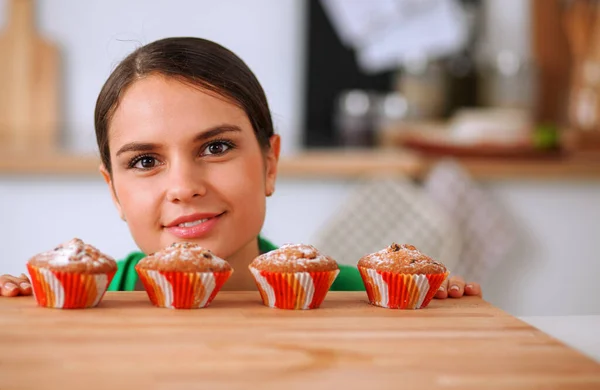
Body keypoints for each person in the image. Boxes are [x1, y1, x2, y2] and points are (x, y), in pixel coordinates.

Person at [0, 37, 481, 299]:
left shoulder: (359, 296)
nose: (184, 187)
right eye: (146, 161)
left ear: (270, 163)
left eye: (215, 148)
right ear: (114, 192)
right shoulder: (87, 299)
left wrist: (436, 306)